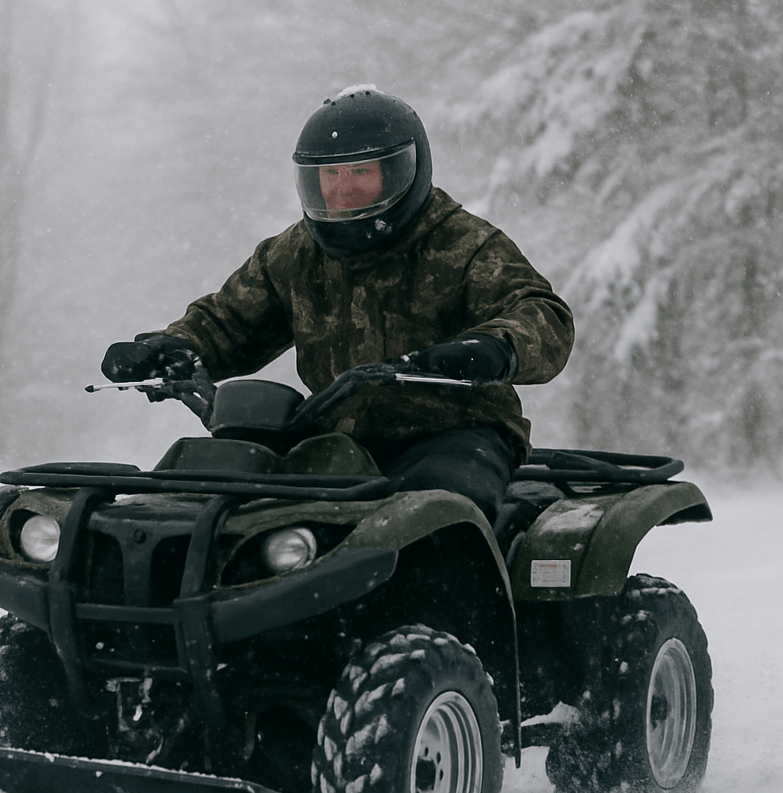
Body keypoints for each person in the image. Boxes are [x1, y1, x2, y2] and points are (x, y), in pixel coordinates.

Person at [102, 86, 574, 523]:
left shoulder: (464, 244)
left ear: (403, 172)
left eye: (361, 173)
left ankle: (446, 613)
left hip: (455, 435)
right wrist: (171, 346)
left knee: (438, 511)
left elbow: (540, 314)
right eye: (331, 174)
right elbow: (230, 321)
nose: (343, 191)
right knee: (219, 500)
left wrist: (492, 347)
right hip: (329, 439)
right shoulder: (294, 254)